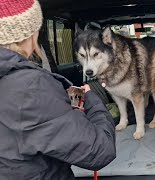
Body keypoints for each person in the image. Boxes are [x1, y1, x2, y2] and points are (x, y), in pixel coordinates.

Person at [0, 0, 116, 179]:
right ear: (31, 34)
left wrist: (72, 95)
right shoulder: (30, 87)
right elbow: (100, 150)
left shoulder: (21, 84)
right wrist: (91, 98)